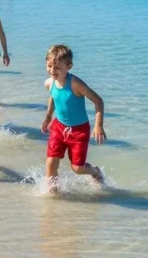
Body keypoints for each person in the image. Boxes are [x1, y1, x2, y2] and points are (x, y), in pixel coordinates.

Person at [41, 44, 106, 194]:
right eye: (49, 66)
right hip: (58, 127)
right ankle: (53, 195)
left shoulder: (76, 84)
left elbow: (98, 101)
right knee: (51, 163)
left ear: (69, 66)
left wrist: (99, 126)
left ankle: (95, 172)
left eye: (57, 67)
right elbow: (53, 96)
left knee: (77, 168)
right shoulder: (49, 82)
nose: (52, 71)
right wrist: (48, 117)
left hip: (79, 130)